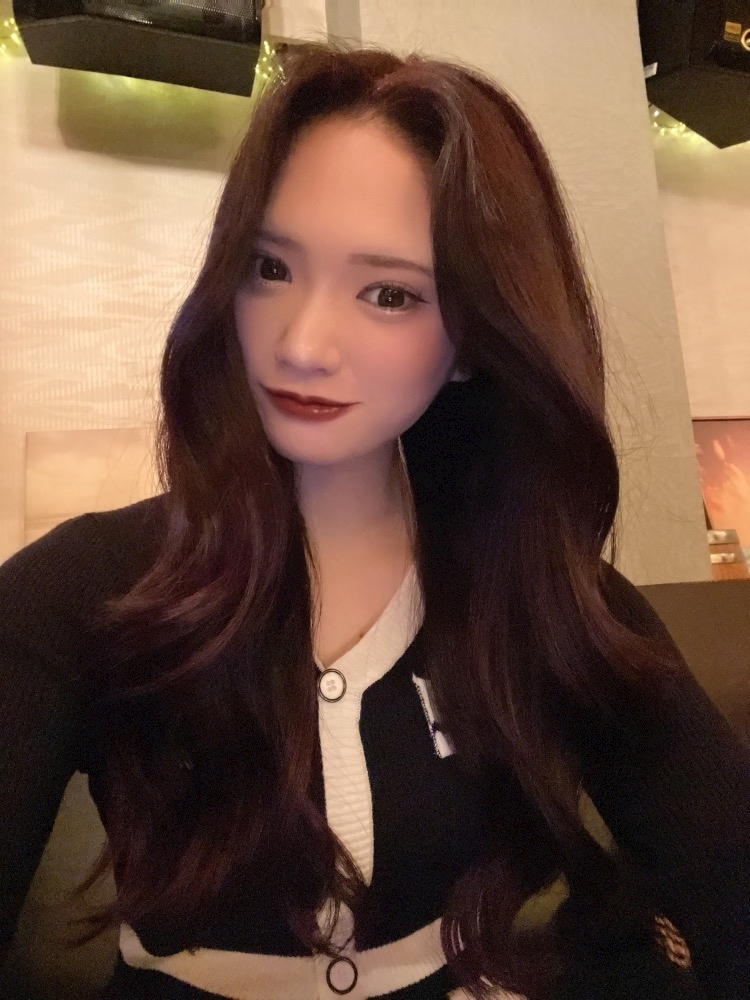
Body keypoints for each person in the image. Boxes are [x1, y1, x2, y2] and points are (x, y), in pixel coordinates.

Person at [1, 42, 748, 1000]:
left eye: (389, 293)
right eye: (270, 267)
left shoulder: (540, 597)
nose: (303, 344)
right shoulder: (83, 590)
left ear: (475, 336)